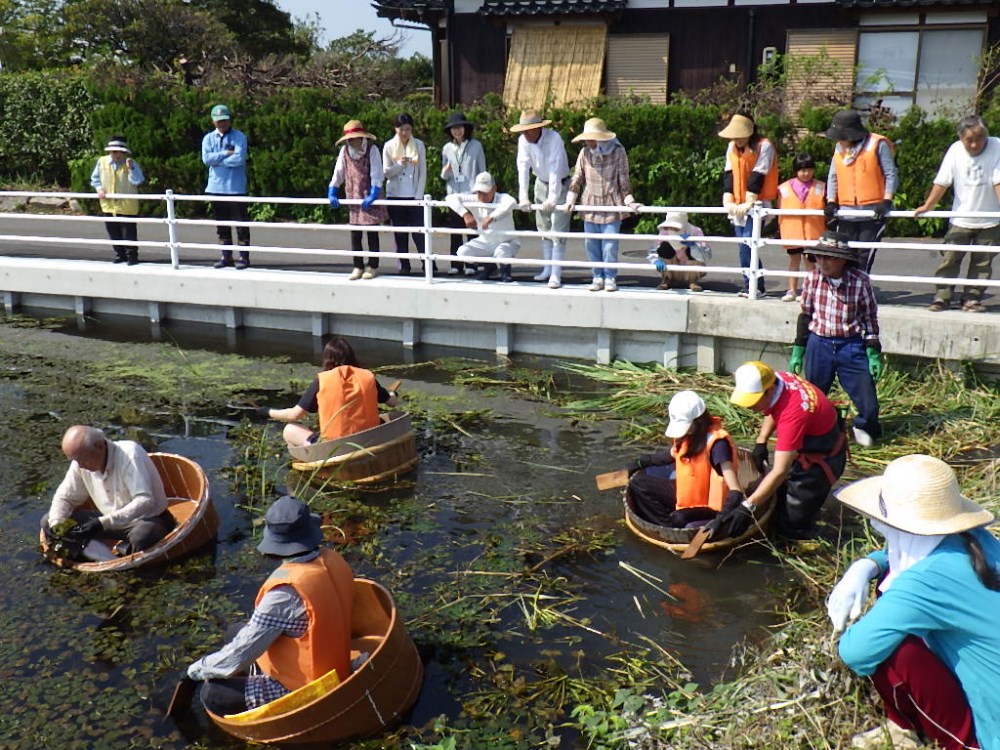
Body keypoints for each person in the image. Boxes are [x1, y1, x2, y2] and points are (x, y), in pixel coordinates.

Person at [828, 454, 1000, 750]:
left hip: (992, 733)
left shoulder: (924, 581)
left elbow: (856, 653)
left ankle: (957, 740)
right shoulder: (978, 541)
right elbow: (900, 555)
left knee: (892, 651)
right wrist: (867, 565)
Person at [187, 495, 354, 715]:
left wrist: (195, 670)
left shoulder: (284, 594)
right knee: (234, 632)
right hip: (339, 661)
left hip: (309, 686)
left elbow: (237, 658)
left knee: (213, 694)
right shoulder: (332, 559)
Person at [721, 361, 846, 539]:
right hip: (808, 440)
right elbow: (772, 408)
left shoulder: (792, 414)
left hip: (823, 456)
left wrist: (747, 507)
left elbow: (780, 471)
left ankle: (804, 543)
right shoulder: (779, 379)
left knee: (791, 522)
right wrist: (761, 441)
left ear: (769, 390)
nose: (751, 407)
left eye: (754, 401)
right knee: (779, 496)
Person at [789, 230, 882, 448]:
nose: (822, 262)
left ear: (842, 260)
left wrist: (873, 350)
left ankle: (864, 425)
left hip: (849, 343)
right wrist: (798, 350)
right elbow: (805, 314)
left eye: (827, 257)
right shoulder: (813, 279)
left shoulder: (860, 282)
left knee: (867, 397)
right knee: (813, 394)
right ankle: (820, 427)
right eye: (819, 257)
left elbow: (869, 317)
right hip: (818, 342)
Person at [41, 425, 175, 556]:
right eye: (75, 460)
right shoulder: (79, 464)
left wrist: (102, 523)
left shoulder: (130, 454)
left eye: (83, 460)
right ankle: (97, 556)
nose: (80, 465)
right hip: (106, 519)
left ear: (100, 446)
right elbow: (65, 497)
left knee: (144, 535)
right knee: (48, 521)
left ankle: (123, 560)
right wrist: (56, 523)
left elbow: (145, 501)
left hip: (146, 519)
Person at [914, 115, 1000, 313]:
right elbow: (943, 180)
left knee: (982, 263)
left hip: (990, 219)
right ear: (961, 138)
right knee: (950, 259)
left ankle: (972, 298)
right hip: (961, 217)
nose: (973, 144)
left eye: (978, 139)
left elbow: (998, 181)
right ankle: (942, 297)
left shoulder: (996, 146)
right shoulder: (955, 150)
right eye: (968, 140)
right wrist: (928, 205)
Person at [627, 390, 745, 532]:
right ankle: (665, 527)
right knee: (638, 484)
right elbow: (671, 455)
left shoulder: (717, 445)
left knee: (679, 518)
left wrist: (721, 518)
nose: (684, 431)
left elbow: (735, 490)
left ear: (699, 421)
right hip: (687, 494)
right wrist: (643, 461)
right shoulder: (688, 436)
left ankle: (672, 528)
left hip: (709, 505)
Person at [259, 336, 398, 447]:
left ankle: (309, 458)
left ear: (327, 359)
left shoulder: (321, 381)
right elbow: (392, 403)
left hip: (334, 448)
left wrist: (268, 411)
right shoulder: (367, 376)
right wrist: (393, 394)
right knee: (388, 417)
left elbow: (294, 415)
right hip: (370, 441)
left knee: (289, 429)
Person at [562, 117, 641, 292]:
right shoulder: (584, 153)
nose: (588, 141)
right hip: (590, 203)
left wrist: (629, 200)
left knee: (610, 244)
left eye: (591, 138)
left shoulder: (618, 152)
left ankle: (610, 277)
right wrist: (570, 199)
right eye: (586, 138)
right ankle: (597, 276)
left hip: (611, 203)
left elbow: (623, 178)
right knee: (591, 244)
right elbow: (577, 177)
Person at [824, 110, 898, 274]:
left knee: (864, 255)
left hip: (873, 211)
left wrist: (886, 200)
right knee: (844, 253)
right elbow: (833, 176)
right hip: (846, 211)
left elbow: (890, 173)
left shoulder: (877, 144)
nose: (839, 140)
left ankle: (860, 289)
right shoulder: (839, 148)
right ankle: (847, 289)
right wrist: (831, 201)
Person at [719, 113, 778, 297]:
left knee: (747, 243)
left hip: (757, 204)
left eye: (740, 135)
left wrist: (750, 200)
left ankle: (756, 286)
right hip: (737, 205)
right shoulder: (731, 148)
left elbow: (759, 174)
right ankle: (751, 285)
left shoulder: (764, 146)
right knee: (743, 245)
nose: (736, 139)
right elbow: (729, 173)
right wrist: (727, 197)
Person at [512, 110, 570, 286]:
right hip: (540, 183)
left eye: (528, 130)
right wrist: (523, 197)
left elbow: (555, 169)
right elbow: (523, 168)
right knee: (543, 227)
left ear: (538, 128)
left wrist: (553, 198)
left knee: (558, 229)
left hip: (561, 183)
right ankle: (547, 268)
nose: (525, 133)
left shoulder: (554, 139)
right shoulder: (523, 141)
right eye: (523, 130)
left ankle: (556, 273)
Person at [328, 119, 388, 281]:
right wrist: (332, 190)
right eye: (350, 138)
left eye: (355, 137)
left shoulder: (372, 150)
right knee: (355, 234)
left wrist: (373, 194)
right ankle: (357, 265)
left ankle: (373, 266)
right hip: (353, 196)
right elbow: (338, 173)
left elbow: (377, 174)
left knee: (372, 234)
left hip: (369, 195)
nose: (353, 141)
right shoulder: (344, 152)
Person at [202, 104, 252, 270]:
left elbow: (239, 158)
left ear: (230, 120)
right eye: (218, 121)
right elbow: (206, 159)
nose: (222, 124)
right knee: (221, 225)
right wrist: (224, 154)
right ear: (213, 121)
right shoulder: (208, 138)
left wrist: (219, 163)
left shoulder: (239, 137)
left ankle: (244, 257)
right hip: (215, 187)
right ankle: (226, 256)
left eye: (224, 120)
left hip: (235, 188)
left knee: (241, 224)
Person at [445, 172, 519, 282]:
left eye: (484, 192)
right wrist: (465, 214)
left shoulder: (502, 198)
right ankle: (489, 266)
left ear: (494, 189)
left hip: (507, 241)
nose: (481, 195)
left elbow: (512, 202)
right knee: (462, 252)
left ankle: (505, 271)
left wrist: (491, 217)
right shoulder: (474, 199)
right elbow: (450, 198)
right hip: (485, 241)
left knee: (501, 252)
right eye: (478, 191)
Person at [383, 113, 431, 276]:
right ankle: (404, 265)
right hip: (395, 195)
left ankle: (427, 263)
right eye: (401, 129)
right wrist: (398, 165)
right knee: (400, 233)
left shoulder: (418, 145)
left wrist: (419, 195)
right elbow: (386, 173)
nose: (405, 133)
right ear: (396, 129)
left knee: (419, 232)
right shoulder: (389, 146)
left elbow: (423, 171)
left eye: (408, 129)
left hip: (414, 196)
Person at [440, 111, 486, 276]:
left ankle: (471, 264)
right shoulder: (447, 148)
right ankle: (456, 263)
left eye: (459, 127)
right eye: (453, 128)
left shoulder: (476, 146)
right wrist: (447, 170)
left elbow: (483, 170)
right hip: (454, 195)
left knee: (472, 230)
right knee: (456, 230)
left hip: (471, 193)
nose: (457, 131)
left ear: (465, 128)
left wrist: (482, 192)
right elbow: (443, 176)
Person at [90, 135, 145, 265]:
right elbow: (95, 179)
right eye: (114, 151)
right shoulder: (102, 162)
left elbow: (138, 180)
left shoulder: (130, 163)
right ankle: (120, 254)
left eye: (120, 151)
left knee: (129, 232)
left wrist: (131, 168)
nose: (117, 154)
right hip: (108, 204)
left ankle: (132, 256)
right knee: (113, 231)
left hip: (127, 205)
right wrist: (99, 189)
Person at [776, 153, 824, 301]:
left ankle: (809, 291)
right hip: (792, 232)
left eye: (809, 169)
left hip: (813, 232)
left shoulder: (821, 186)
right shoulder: (783, 188)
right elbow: (778, 209)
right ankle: (791, 290)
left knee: (810, 263)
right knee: (794, 261)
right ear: (796, 170)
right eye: (802, 170)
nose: (806, 173)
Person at [648, 211, 712, 292]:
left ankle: (693, 281)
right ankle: (667, 279)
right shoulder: (664, 232)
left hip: (690, 265)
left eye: (675, 227)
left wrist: (693, 246)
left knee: (693, 252)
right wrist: (656, 260)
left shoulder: (695, 231)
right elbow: (653, 250)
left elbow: (707, 255)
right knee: (664, 248)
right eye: (669, 226)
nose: (671, 229)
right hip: (671, 264)